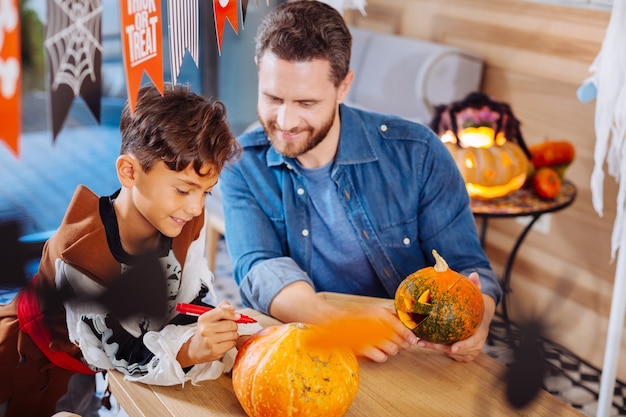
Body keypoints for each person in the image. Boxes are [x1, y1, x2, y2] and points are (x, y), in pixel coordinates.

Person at [220, 0, 502, 364]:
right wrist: (340, 322)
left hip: (413, 356)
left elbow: (467, 265)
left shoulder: (417, 152)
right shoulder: (243, 163)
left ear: (343, 87)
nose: (285, 121)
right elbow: (258, 265)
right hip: (311, 346)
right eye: (273, 98)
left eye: (306, 103)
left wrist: (480, 318)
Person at [0, 83, 253, 417]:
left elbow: (190, 297)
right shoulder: (80, 254)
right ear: (129, 171)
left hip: (90, 369)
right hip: (30, 362)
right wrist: (190, 350)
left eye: (205, 192)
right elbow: (124, 354)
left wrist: (226, 329)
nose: (195, 207)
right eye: (182, 190)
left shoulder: (181, 217)